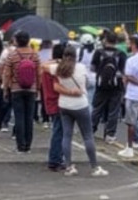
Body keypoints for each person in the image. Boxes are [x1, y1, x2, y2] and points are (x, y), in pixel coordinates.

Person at [54, 45, 108, 177]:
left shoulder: (57, 69)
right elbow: (89, 83)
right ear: (76, 56)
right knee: (88, 136)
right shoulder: (81, 68)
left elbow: (44, 66)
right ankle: (94, 167)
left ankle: (68, 166)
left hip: (64, 105)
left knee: (67, 136)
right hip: (80, 105)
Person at [4, 31, 40, 153]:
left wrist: (5, 89)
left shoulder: (12, 55)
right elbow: (38, 73)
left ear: (17, 41)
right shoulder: (35, 55)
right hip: (31, 89)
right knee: (29, 118)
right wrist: (38, 88)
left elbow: (7, 74)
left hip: (16, 89)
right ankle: (28, 146)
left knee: (19, 117)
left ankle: (20, 146)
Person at [91, 30, 127, 144]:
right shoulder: (121, 54)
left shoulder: (98, 52)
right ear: (116, 41)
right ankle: (110, 134)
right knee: (113, 111)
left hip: (101, 85)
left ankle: (91, 130)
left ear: (105, 40)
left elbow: (92, 68)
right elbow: (123, 71)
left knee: (97, 108)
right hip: (116, 86)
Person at [41, 44, 64, 171]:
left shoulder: (45, 67)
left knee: (57, 129)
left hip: (49, 100)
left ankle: (56, 158)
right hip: (59, 101)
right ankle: (55, 159)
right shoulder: (56, 69)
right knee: (59, 131)